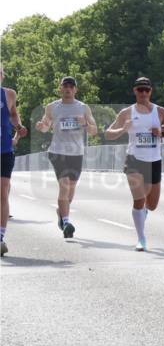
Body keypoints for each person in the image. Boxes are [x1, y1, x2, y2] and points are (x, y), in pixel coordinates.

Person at [104, 77, 164, 251]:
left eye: (147, 89)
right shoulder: (127, 113)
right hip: (134, 160)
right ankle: (141, 239)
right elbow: (108, 134)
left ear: (151, 91)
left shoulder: (160, 112)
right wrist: (123, 129)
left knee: (152, 205)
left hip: (154, 160)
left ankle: (142, 214)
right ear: (135, 91)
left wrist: (161, 132)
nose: (144, 93)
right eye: (140, 90)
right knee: (139, 199)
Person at [34, 76, 98, 238]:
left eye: (71, 86)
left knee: (71, 189)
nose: (68, 89)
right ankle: (67, 223)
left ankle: (61, 212)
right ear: (60, 88)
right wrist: (41, 126)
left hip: (76, 153)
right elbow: (45, 125)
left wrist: (84, 123)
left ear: (76, 90)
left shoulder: (83, 108)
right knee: (64, 185)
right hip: (57, 151)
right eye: (65, 86)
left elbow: (94, 130)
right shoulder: (52, 107)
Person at [1, 66, 29, 257]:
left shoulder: (9, 94)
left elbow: (12, 114)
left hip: (4, 149)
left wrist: (18, 126)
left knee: (2, 192)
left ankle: (0, 237)